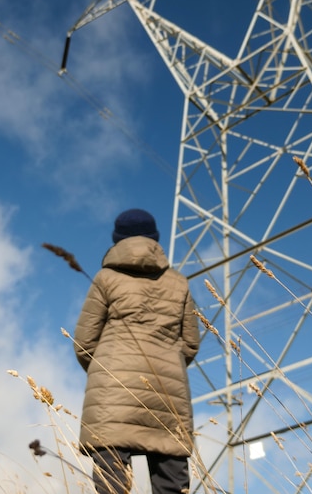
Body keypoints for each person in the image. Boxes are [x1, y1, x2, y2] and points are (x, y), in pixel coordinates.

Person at [73, 208, 200, 494]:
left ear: (117, 240)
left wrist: (105, 369)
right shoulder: (178, 283)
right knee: (172, 484)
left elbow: (84, 341)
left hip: (112, 392)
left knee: (111, 484)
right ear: (155, 238)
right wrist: (167, 363)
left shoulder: (105, 279)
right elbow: (190, 343)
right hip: (166, 392)